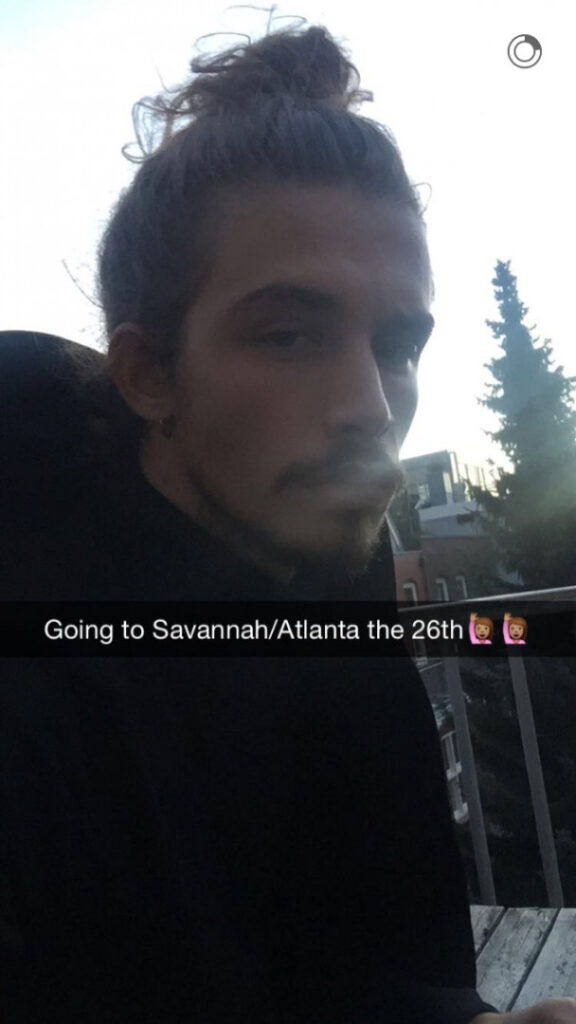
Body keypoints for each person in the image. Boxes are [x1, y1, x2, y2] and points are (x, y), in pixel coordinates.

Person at [1, 21, 574, 1024]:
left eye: (398, 346)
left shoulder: (332, 594)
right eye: (289, 335)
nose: (372, 408)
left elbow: (348, 959)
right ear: (148, 374)